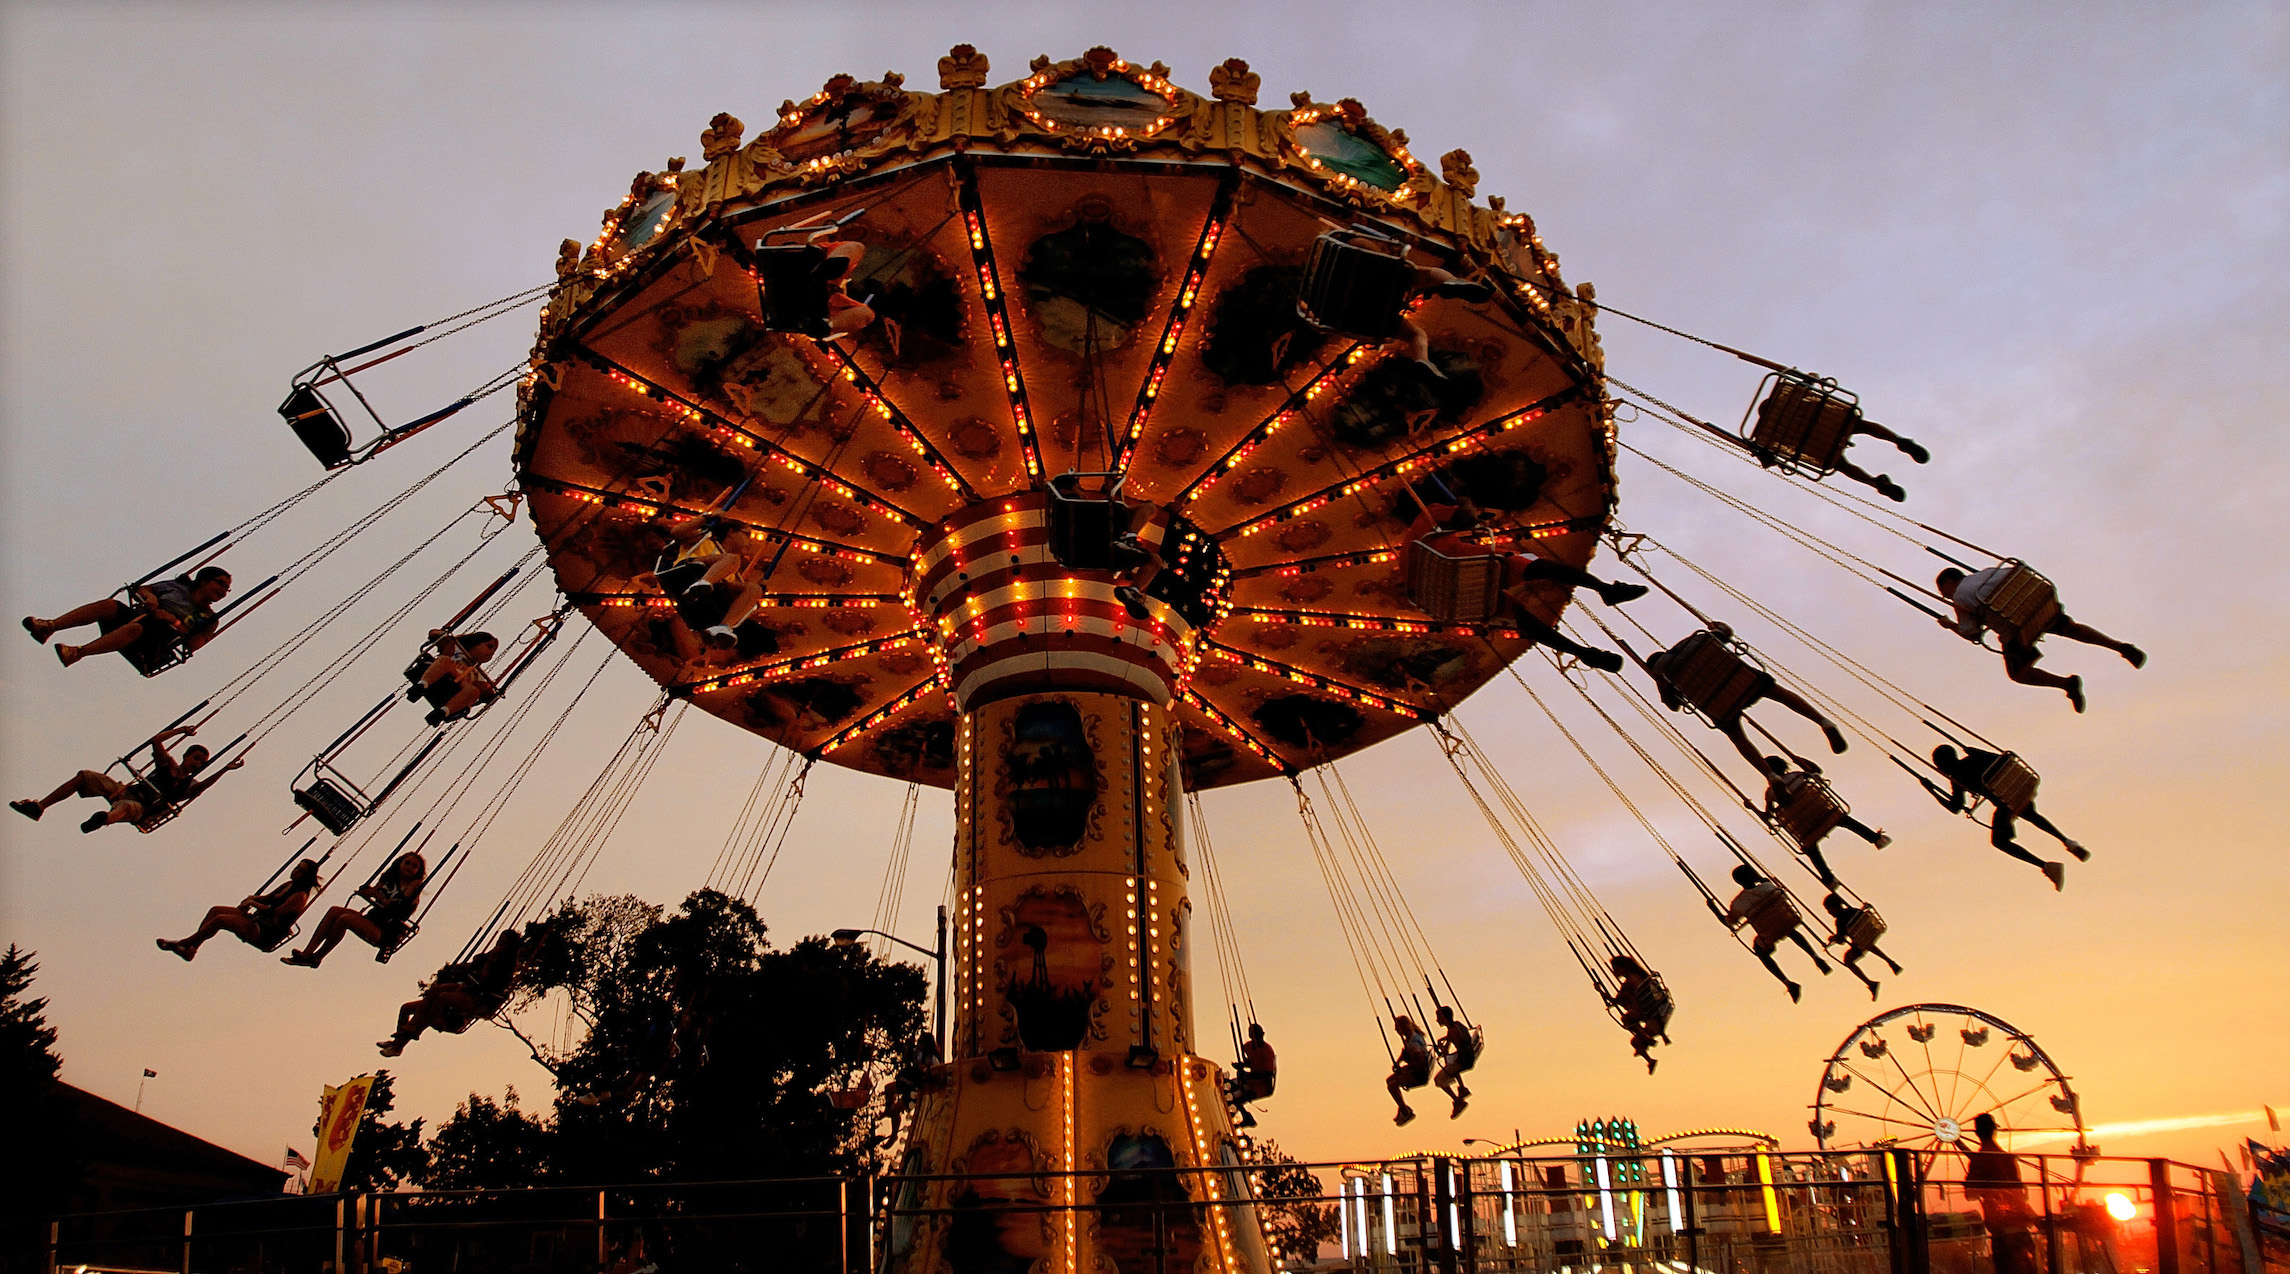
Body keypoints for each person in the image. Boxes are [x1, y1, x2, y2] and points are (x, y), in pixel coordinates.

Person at [1404, 495, 1646, 672]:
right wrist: (1465, 503)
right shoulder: (1430, 513)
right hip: (1465, 567)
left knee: (1523, 620)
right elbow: (1463, 517)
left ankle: (1584, 653)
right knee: (1537, 566)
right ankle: (1606, 589)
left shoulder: (1409, 549)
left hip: (1452, 597)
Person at [1648, 623, 1848, 778]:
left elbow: (1674, 706)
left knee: (1738, 738)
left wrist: (1664, 685)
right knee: (1780, 694)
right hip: (1744, 680)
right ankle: (1823, 722)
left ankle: (1770, 776)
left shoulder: (1661, 673)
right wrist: (1716, 626)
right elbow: (1726, 632)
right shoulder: (1696, 639)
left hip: (1720, 704)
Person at [1934, 566, 2143, 713]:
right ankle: (2121, 647)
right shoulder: (1989, 572)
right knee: (2071, 629)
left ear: (1950, 581)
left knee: (2018, 673)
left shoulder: (1961, 597)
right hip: (2036, 605)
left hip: (2016, 627)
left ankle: (2066, 684)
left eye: (1944, 591)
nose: (1945, 596)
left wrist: (1949, 624)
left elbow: (1972, 634)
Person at [12, 725, 242, 832]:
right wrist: (181, 730)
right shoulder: (168, 765)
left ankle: (103, 819)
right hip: (127, 790)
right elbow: (156, 741)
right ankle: (39, 807)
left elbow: (201, 788)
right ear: (186, 756)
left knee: (125, 808)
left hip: (143, 807)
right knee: (84, 776)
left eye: (201, 763)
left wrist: (224, 769)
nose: (197, 763)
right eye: (196, 758)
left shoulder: (189, 784)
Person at [1920, 745, 2087, 891]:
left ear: (1945, 764)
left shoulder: (1958, 778)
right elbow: (2004, 760)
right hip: (2016, 789)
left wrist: (1931, 790)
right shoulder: (1975, 757)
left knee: (1999, 841)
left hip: (2004, 802)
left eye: (1939, 766)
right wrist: (1976, 751)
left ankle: (2046, 866)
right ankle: (2067, 842)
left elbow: (1955, 807)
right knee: (2031, 815)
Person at [24, 565, 232, 669]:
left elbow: (193, 645)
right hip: (138, 617)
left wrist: (172, 620)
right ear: (204, 580)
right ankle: (50, 626)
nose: (223, 591)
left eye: (227, 588)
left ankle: (78, 652)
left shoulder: (209, 619)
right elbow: (143, 589)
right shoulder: (176, 587)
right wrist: (151, 598)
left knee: (136, 629)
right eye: (220, 583)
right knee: (109, 606)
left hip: (154, 644)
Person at [1749, 391, 1927, 502]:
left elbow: (1768, 458)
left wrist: (1763, 456)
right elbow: (1812, 381)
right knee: (1860, 425)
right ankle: (1898, 440)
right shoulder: (1793, 397)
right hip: (1835, 422)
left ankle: (1873, 482)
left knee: (1841, 465)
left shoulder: (1770, 432)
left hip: (1819, 448)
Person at [377, 929, 525, 1056]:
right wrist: (458, 969)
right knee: (423, 998)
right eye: (499, 941)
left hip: (480, 999)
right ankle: (399, 1041)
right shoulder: (490, 955)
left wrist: (490, 962)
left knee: (443, 997)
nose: (499, 944)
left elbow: (487, 981)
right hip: (468, 989)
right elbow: (473, 965)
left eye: (503, 942)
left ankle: (412, 1033)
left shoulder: (506, 964)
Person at [156, 859, 323, 960]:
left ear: (306, 876)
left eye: (301, 870)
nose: (296, 871)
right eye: (297, 867)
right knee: (215, 911)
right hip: (257, 920)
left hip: (264, 932)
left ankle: (183, 944)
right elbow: (266, 899)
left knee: (221, 920)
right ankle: (192, 949)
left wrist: (254, 904)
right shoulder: (289, 885)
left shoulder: (300, 896)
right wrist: (252, 899)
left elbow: (273, 912)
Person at [283, 851, 426, 968]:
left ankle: (317, 957)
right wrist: (371, 893)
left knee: (344, 920)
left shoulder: (414, 888)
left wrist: (380, 897)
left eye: (414, 866)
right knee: (334, 911)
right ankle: (307, 953)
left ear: (418, 871)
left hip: (386, 931)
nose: (409, 867)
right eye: (407, 863)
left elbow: (397, 906)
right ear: (400, 863)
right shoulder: (389, 879)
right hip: (372, 919)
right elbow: (372, 892)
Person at [1764, 757, 1889, 890]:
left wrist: (1758, 810)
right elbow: (1816, 771)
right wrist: (1798, 760)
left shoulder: (1771, 792)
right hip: (1823, 812)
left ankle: (1828, 878)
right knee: (1845, 820)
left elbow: (1769, 814)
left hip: (1805, 826)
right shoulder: (1797, 775)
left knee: (1811, 849)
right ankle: (1876, 839)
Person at [1716, 865, 1830, 1003]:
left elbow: (1730, 922)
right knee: (1789, 929)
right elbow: (1767, 883)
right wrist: (1761, 879)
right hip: (1787, 920)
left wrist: (1714, 910)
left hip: (1768, 934)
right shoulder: (1768, 886)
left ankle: (1788, 983)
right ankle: (1815, 957)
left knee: (1760, 951)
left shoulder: (1739, 903)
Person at [646, 518, 765, 649]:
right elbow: (677, 532)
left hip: (712, 594)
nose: (750, 542)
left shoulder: (733, 571)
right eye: (747, 535)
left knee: (754, 589)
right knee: (732, 559)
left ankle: (723, 627)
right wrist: (706, 518)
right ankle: (703, 583)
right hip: (688, 572)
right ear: (731, 532)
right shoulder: (705, 540)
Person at [1963, 1112, 2042, 1274]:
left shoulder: (1979, 1161)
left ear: (1977, 1133)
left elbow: (1970, 1194)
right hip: (2021, 1230)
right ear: (1995, 1130)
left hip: (2002, 1234)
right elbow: (2020, 1194)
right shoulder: (2009, 1159)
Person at [408, 630, 501, 726]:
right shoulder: (457, 649)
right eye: (489, 647)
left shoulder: (478, 674)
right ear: (477, 642)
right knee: (445, 660)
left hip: (454, 692)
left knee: (474, 691)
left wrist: (493, 695)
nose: (491, 653)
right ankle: (421, 686)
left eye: (493, 652)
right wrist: (443, 635)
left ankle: (442, 712)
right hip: (442, 676)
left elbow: (486, 690)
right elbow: (434, 634)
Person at [1821, 893, 1903, 1000]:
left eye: (1829, 910)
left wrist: (1833, 938)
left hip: (1860, 941)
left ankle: (1870, 983)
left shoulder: (1840, 920)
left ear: (1835, 907)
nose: (1829, 913)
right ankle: (1890, 962)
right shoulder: (1853, 910)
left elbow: (1841, 940)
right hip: (1869, 933)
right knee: (1865, 941)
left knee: (1848, 960)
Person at [1605, 954, 1672, 1073]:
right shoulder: (1640, 977)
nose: (1614, 972)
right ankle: (1650, 1060)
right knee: (1635, 1042)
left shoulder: (1630, 982)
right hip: (1653, 1014)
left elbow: (1616, 1001)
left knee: (1626, 1019)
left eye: (1615, 969)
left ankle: (1646, 1039)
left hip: (1647, 1013)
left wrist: (1601, 991)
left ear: (1623, 968)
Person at [1107, 494, 1167, 622]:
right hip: (1114, 548)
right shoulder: (1085, 506)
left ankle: (1133, 591)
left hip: (1099, 551)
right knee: (1150, 508)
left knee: (1155, 561)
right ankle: (1130, 540)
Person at [809, 227, 876, 341]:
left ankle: (823, 326)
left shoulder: (840, 300)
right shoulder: (837, 250)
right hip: (807, 272)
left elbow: (864, 315)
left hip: (812, 309)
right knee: (858, 247)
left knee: (868, 315)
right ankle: (825, 271)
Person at [1431, 1004, 1478, 1120]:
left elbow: (1454, 1044)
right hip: (1467, 1057)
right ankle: (1462, 1088)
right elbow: (1449, 1045)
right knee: (1450, 1063)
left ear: (1443, 1017)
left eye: (1438, 1017)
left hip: (1464, 1060)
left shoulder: (1453, 1032)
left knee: (1439, 1080)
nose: (1437, 1020)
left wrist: (1442, 1047)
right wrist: (1443, 1043)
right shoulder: (1457, 1025)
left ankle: (1457, 1101)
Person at [1385, 1014, 1433, 1126]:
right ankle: (1403, 1107)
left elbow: (1420, 1062)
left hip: (1419, 1074)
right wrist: (1398, 1063)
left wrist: (1407, 1067)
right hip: (1416, 1069)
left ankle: (1406, 1112)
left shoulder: (1414, 1043)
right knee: (1389, 1080)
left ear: (1403, 1027)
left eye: (1397, 1027)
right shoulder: (1412, 1038)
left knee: (1392, 1086)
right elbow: (1405, 1053)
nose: (1395, 1030)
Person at [1229, 1023, 1277, 1128]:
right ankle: (1240, 1115)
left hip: (1262, 1086)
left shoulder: (1267, 1051)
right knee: (1228, 1086)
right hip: (1250, 1081)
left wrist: (1247, 1075)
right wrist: (1241, 1065)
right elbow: (1252, 1061)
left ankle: (1247, 1118)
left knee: (1237, 1098)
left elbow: (1268, 1074)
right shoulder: (1248, 1047)